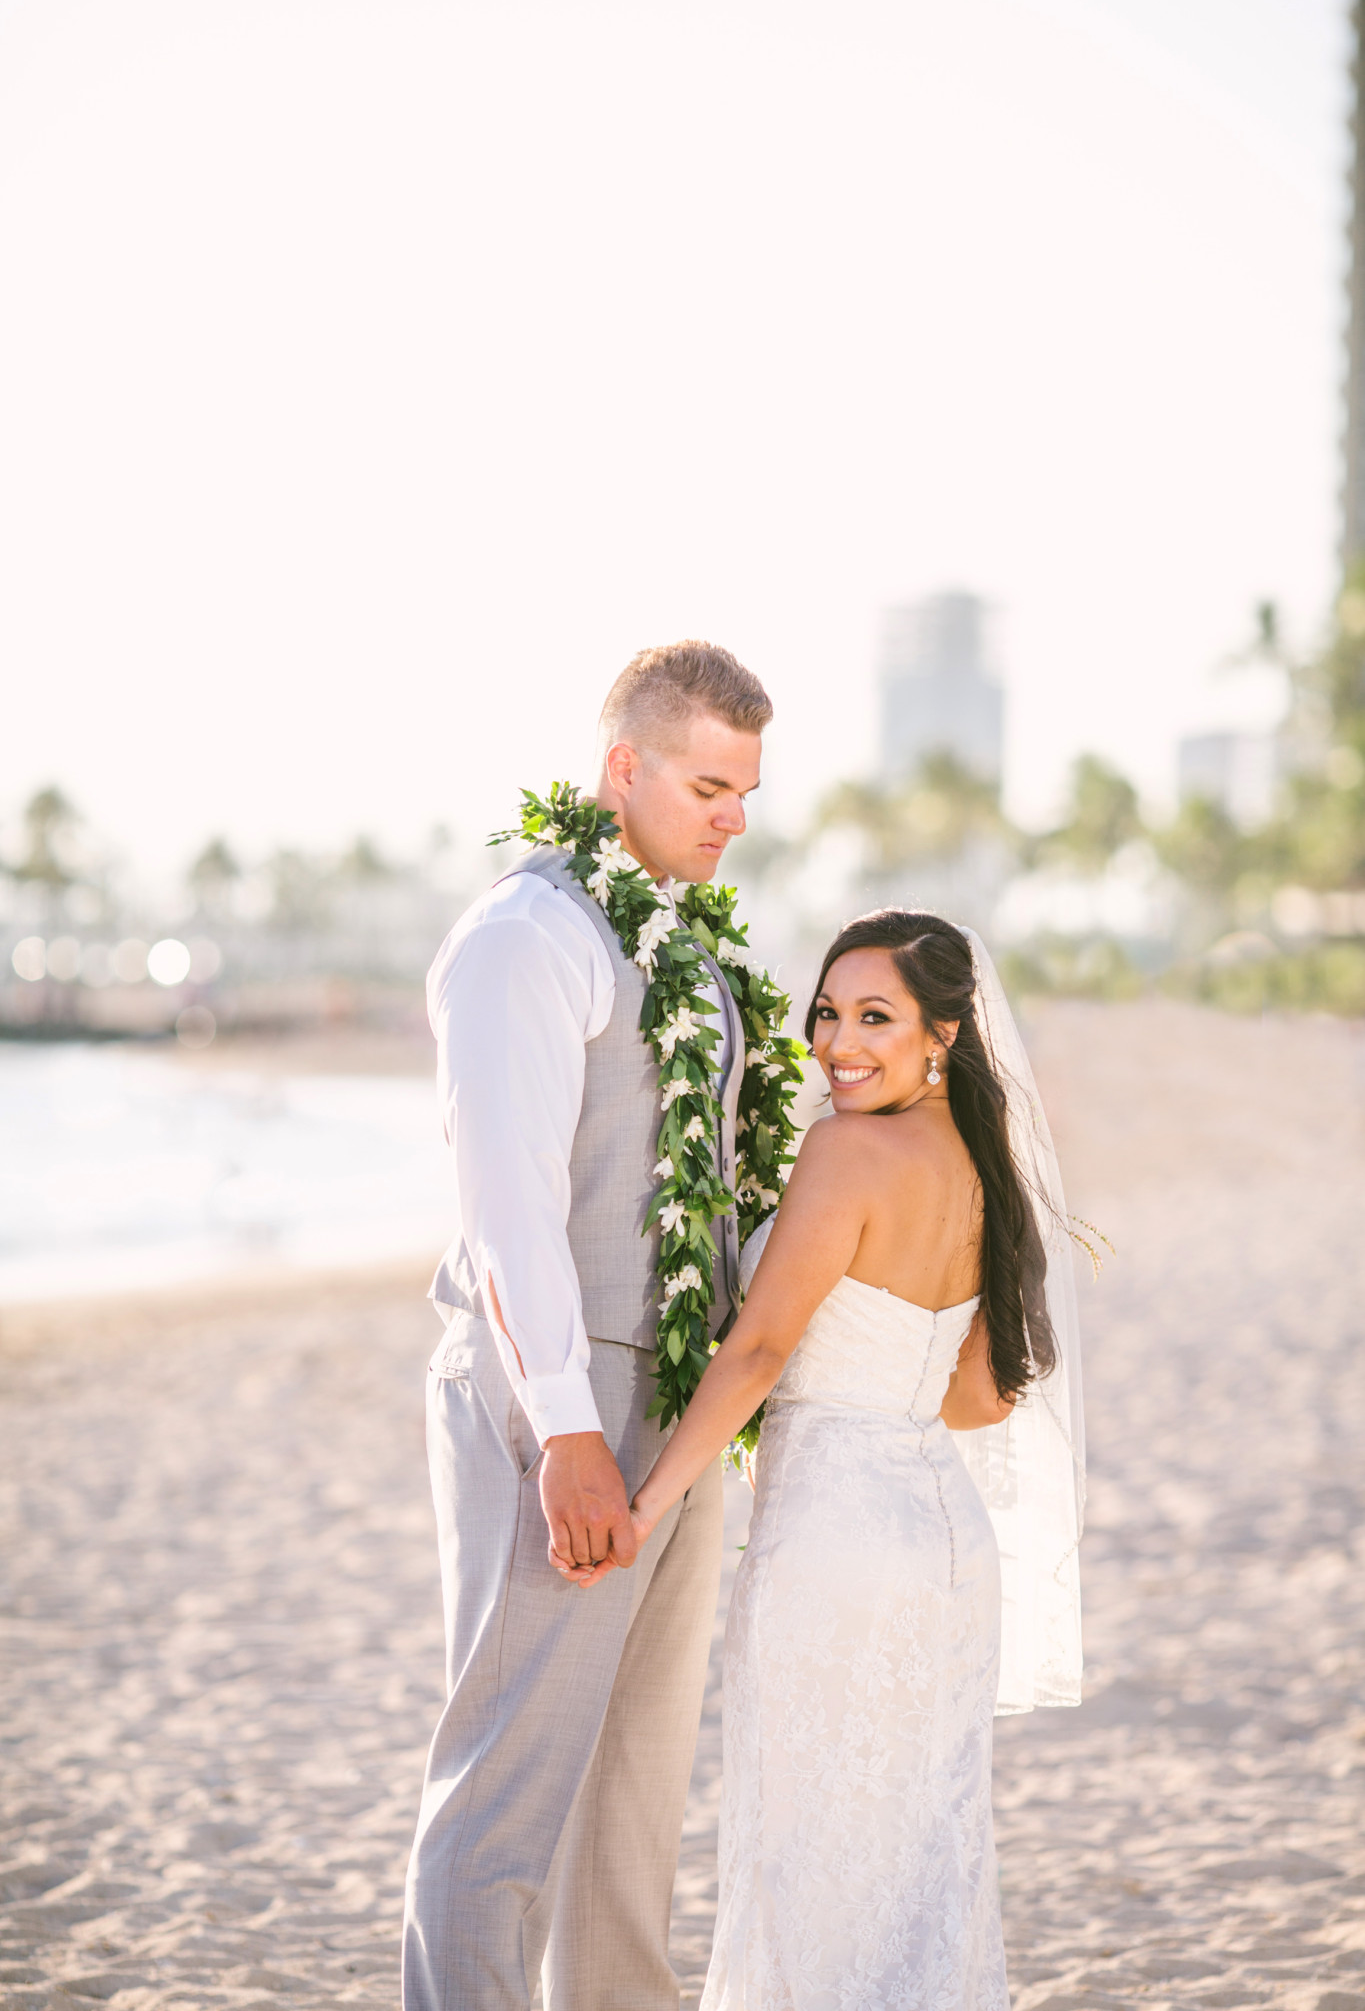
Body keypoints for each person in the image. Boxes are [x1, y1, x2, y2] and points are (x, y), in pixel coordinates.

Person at [564, 910, 1085, 2009]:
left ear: (945, 1029)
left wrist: (649, 1501)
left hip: (835, 1539)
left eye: (876, 1016)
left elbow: (758, 1345)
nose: (839, 1041)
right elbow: (976, 1397)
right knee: (921, 1851)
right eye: (828, 1014)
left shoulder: (847, 1148)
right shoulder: (982, 1166)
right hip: (942, 1537)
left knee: (802, 1842)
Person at [401, 641, 773, 2011]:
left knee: (634, 1782)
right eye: (706, 783)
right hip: (558, 1402)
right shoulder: (527, 936)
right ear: (622, 769)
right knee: (507, 1782)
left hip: (672, 1403)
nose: (732, 815)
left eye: (745, 789)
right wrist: (565, 1431)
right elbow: (508, 1208)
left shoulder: (675, 936)